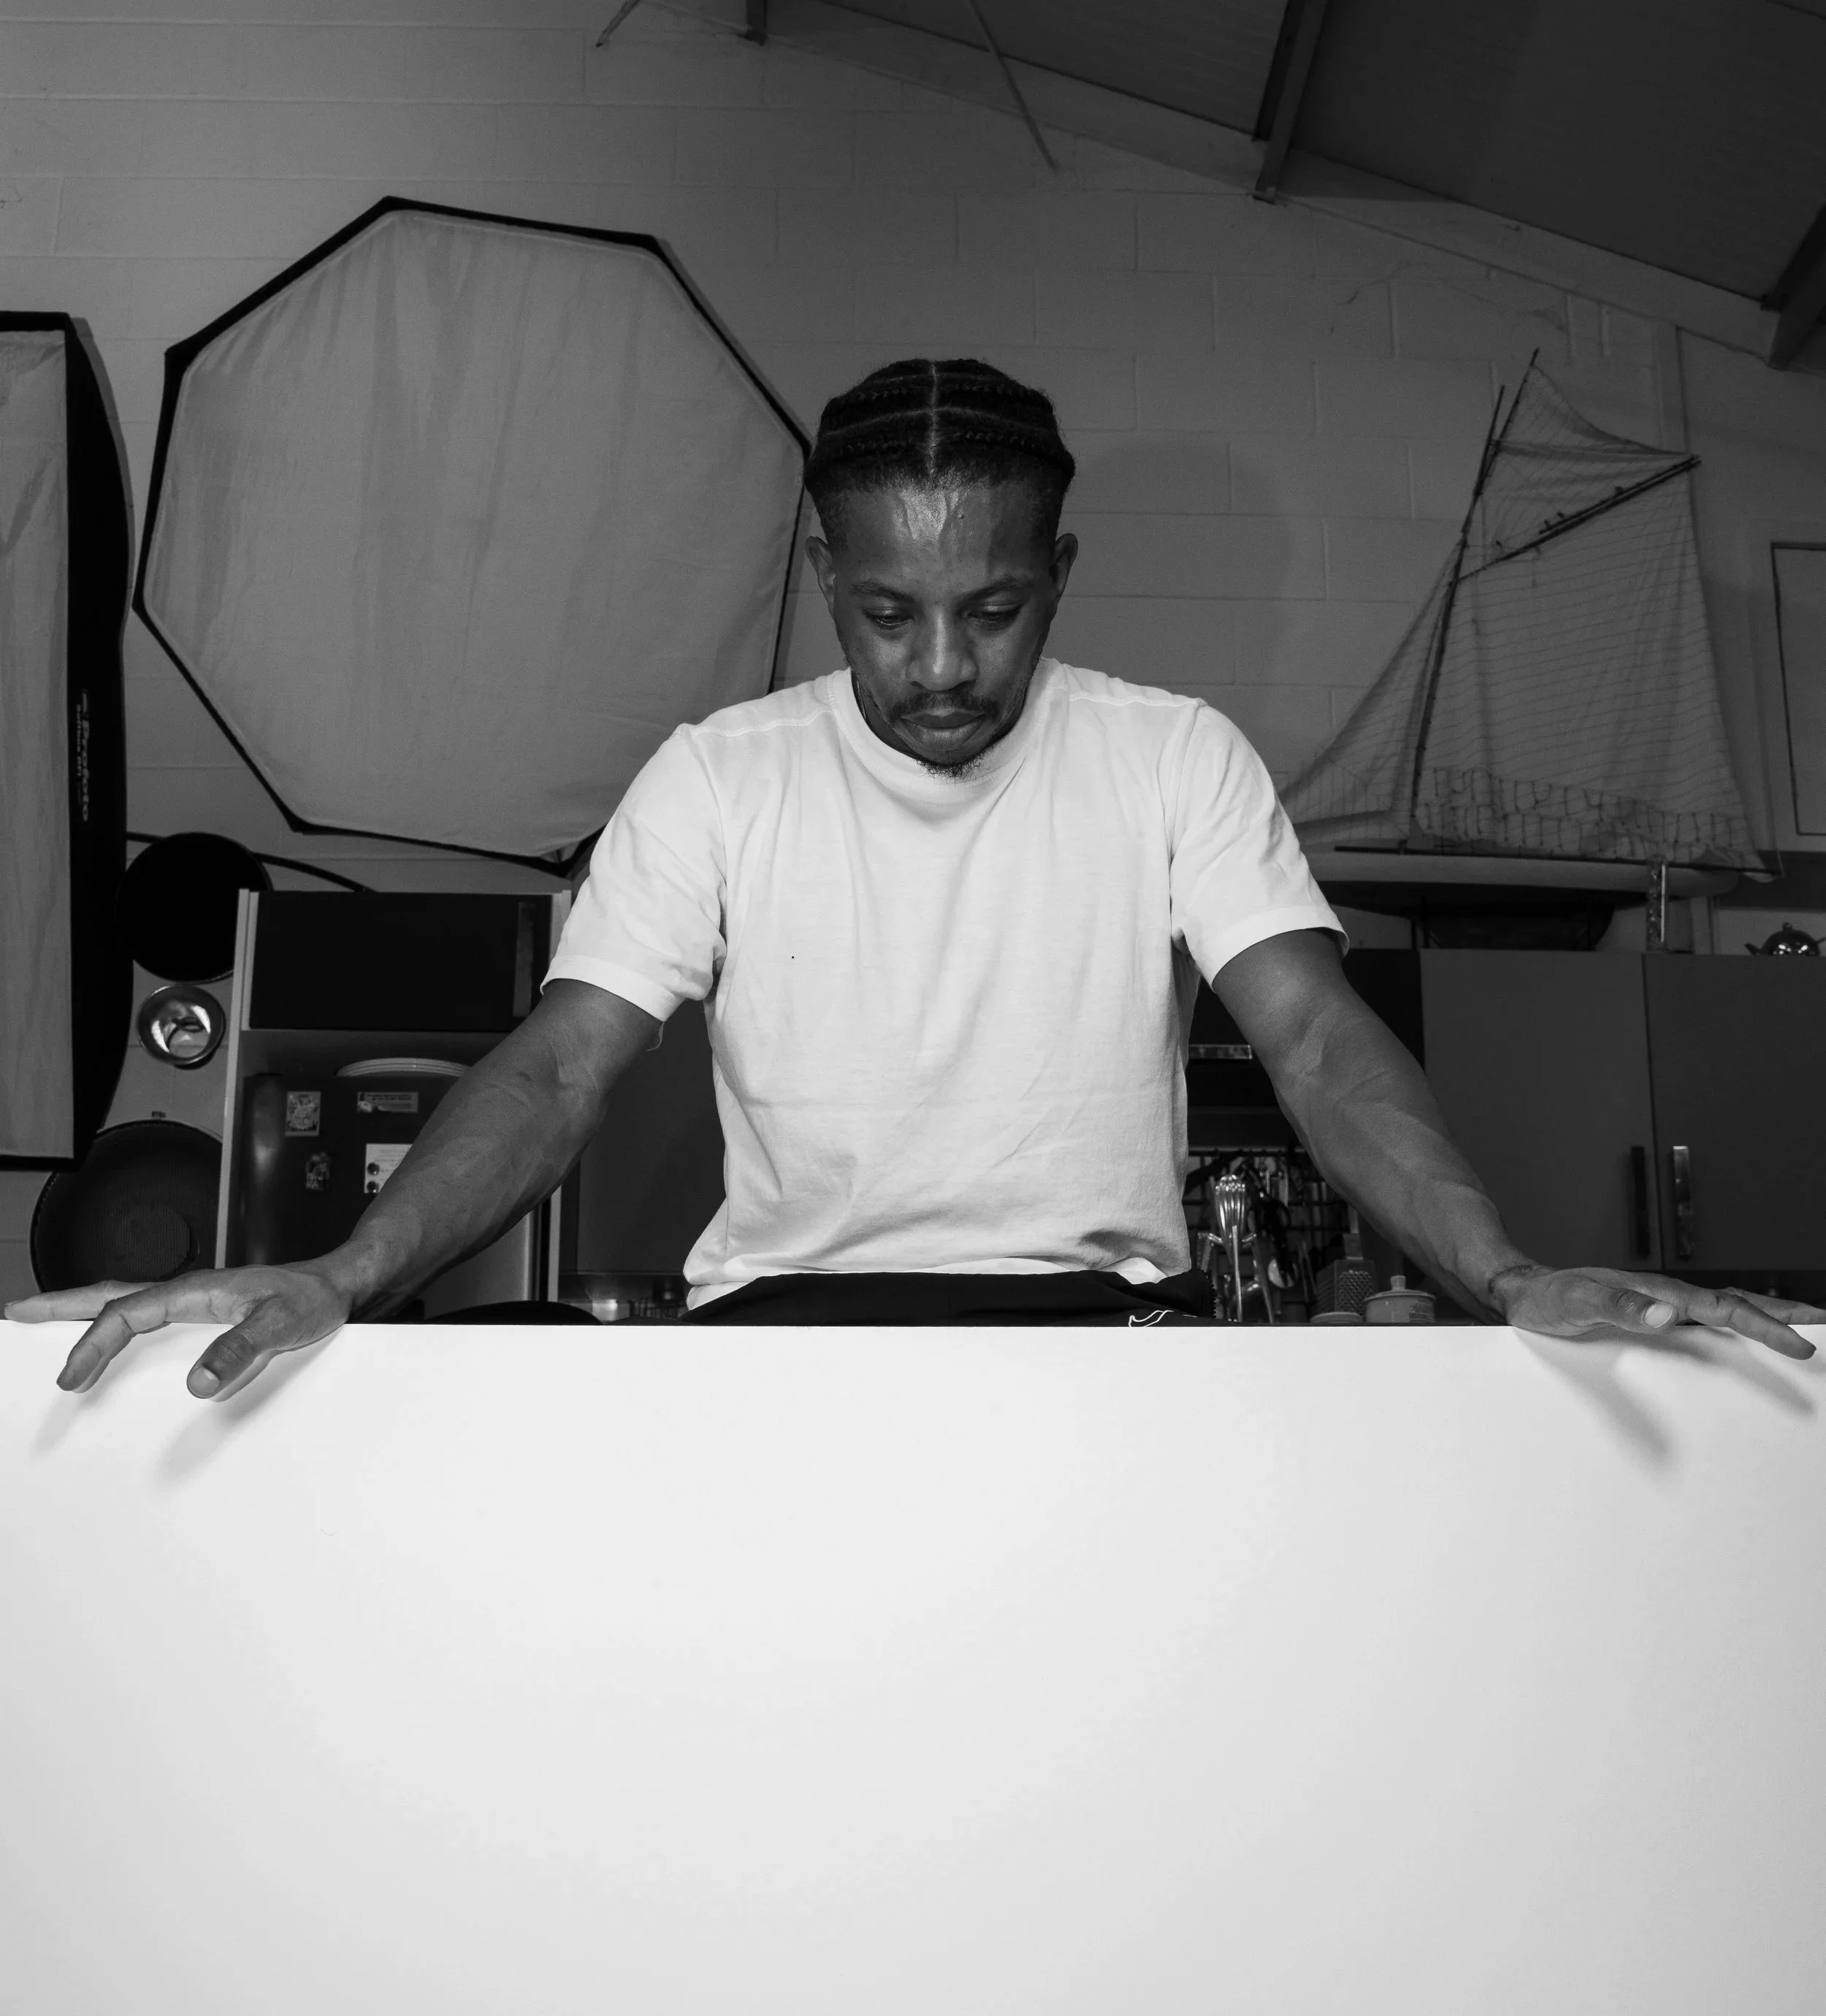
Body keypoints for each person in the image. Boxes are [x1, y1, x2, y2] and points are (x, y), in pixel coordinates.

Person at [11, 356, 1819, 1391]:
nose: (941, 668)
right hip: (786, 1352)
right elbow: (564, 1063)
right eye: (888, 614)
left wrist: (1502, 1274)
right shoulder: (719, 778)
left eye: (993, 609)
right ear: (822, 578)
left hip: (1112, 1344)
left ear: (1061, 574)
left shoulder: (1166, 754)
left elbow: (1319, 1046)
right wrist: (343, 1270)